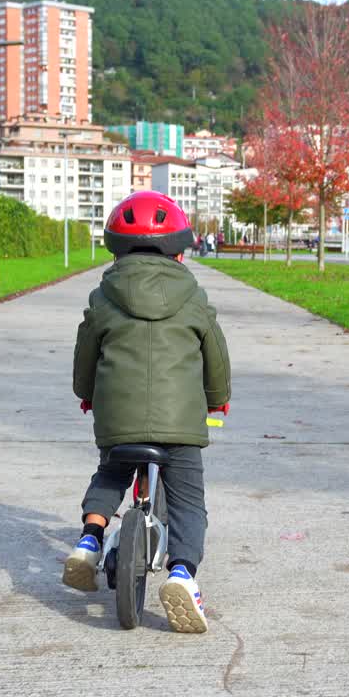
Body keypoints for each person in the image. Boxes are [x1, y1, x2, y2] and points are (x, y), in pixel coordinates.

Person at [64, 191, 232, 634]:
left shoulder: (103, 296)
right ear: (179, 248)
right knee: (188, 501)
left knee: (110, 473)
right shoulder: (194, 296)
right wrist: (218, 398)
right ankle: (182, 574)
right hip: (180, 425)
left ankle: (89, 540)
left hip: (118, 419)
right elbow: (215, 355)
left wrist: (88, 394)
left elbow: (86, 356)